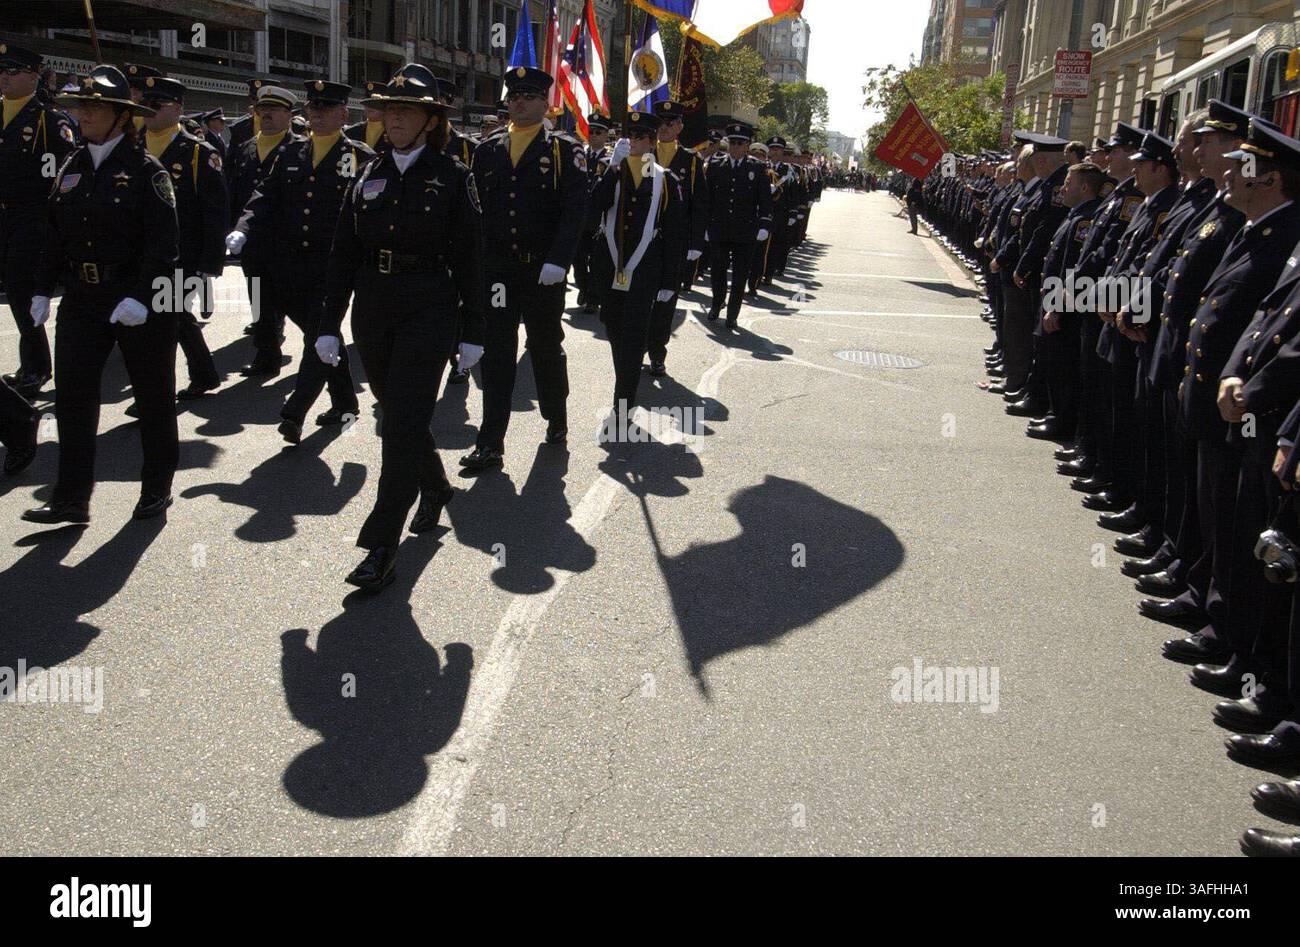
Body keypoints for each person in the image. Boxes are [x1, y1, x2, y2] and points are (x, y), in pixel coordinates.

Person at [316, 63, 485, 593]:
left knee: (399, 425)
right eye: (389, 109)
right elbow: (343, 253)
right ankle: (435, 486)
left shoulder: (453, 176)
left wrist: (474, 330)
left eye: (406, 110)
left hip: (429, 306)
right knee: (398, 414)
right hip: (373, 307)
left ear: (430, 120)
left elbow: (474, 259)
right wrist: (326, 325)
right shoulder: (368, 172)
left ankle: (381, 545)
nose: (394, 118)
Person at [22, 64, 179, 525]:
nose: (83, 114)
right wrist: (41, 289)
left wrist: (142, 296)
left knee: (153, 397)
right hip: (83, 298)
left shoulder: (146, 170)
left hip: (136, 299)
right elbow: (54, 235)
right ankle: (71, 497)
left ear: (119, 115)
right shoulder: (71, 167)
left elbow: (164, 245)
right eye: (79, 105)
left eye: (93, 106)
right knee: (73, 398)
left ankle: (156, 486)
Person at [228, 78, 373, 444]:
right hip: (292, 262)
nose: (319, 115)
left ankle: (296, 410)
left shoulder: (360, 157)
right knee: (323, 333)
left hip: (335, 265)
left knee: (319, 334)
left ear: (343, 113)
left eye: (327, 108)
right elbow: (264, 195)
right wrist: (244, 227)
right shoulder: (290, 153)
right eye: (314, 108)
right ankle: (345, 401)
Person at [459, 65, 588, 472]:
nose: (519, 103)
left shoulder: (565, 150)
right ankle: (491, 440)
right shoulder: (488, 149)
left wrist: (559, 259)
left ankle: (556, 415)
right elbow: (476, 213)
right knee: (497, 352)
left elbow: (575, 212)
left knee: (545, 347)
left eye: (529, 96)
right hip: (499, 271)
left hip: (542, 272)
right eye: (514, 96)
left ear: (545, 102)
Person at [587, 111, 686, 424]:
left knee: (632, 334)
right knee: (613, 329)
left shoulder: (665, 180)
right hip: (611, 266)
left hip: (644, 270)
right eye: (631, 136)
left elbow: (675, 234)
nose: (635, 142)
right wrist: (612, 170)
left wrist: (671, 280)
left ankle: (623, 399)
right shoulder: (613, 171)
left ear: (653, 141)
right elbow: (593, 208)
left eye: (642, 136)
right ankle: (625, 382)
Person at [136, 76, 226, 404]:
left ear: (177, 109)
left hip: (182, 254)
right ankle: (204, 374)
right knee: (174, 318)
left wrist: (209, 264)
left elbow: (215, 212)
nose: (149, 111)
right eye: (146, 104)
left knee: (163, 320)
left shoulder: (198, 152)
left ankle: (153, 395)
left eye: (156, 105)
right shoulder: (132, 145)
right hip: (140, 253)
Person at [0, 43, 77, 399]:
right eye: (2, 71)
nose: (5, 77)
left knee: (21, 292)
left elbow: (64, 176)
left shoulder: (50, 121)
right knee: (12, 293)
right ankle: (30, 363)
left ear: (33, 76)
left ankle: (36, 366)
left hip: (31, 219)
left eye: (13, 71)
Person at [226, 83, 302, 376]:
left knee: (290, 298)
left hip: (286, 240)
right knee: (258, 295)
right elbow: (234, 191)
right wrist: (233, 228)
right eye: (262, 109)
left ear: (289, 115)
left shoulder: (299, 149)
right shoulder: (245, 148)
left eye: (274, 110)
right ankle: (267, 353)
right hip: (253, 240)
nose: (266, 114)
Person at [646, 99, 708, 375]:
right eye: (660, 121)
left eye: (671, 122)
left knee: (665, 301)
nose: (665, 127)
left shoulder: (690, 160)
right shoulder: (643, 155)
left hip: (674, 242)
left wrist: (696, 242)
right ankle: (637, 349)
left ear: (680, 126)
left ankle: (657, 353)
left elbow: (699, 203)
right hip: (642, 240)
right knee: (639, 300)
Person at [704, 121, 772, 329]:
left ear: (747, 146)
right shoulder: (716, 166)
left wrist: (764, 225)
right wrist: (705, 226)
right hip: (719, 229)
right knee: (718, 271)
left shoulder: (758, 168)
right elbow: (707, 198)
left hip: (745, 231)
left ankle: (733, 313)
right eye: (732, 143)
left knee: (740, 273)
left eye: (740, 143)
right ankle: (716, 303)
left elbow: (765, 200)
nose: (735, 147)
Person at [573, 112, 612, 315]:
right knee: (577, 259)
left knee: (596, 261)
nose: (594, 135)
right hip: (580, 218)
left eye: (598, 132)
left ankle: (593, 298)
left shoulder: (612, 159)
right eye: (591, 131)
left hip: (599, 219)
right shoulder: (579, 155)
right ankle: (583, 287)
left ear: (606, 135)